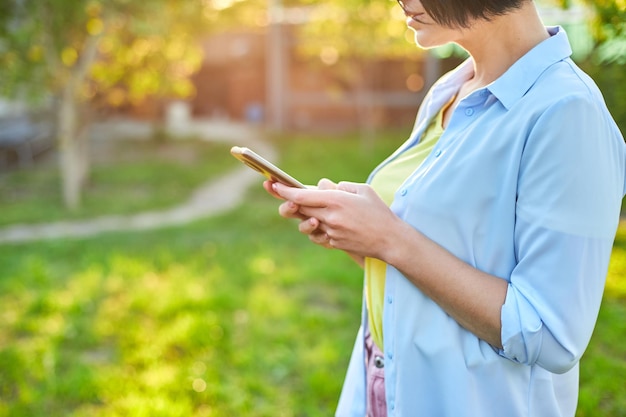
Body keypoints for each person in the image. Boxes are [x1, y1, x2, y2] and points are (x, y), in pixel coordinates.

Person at [263, 0, 626, 416]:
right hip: (381, 385)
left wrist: (390, 237)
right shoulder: (453, 89)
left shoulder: (567, 113)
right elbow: (436, 267)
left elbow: (550, 335)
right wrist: (358, 236)